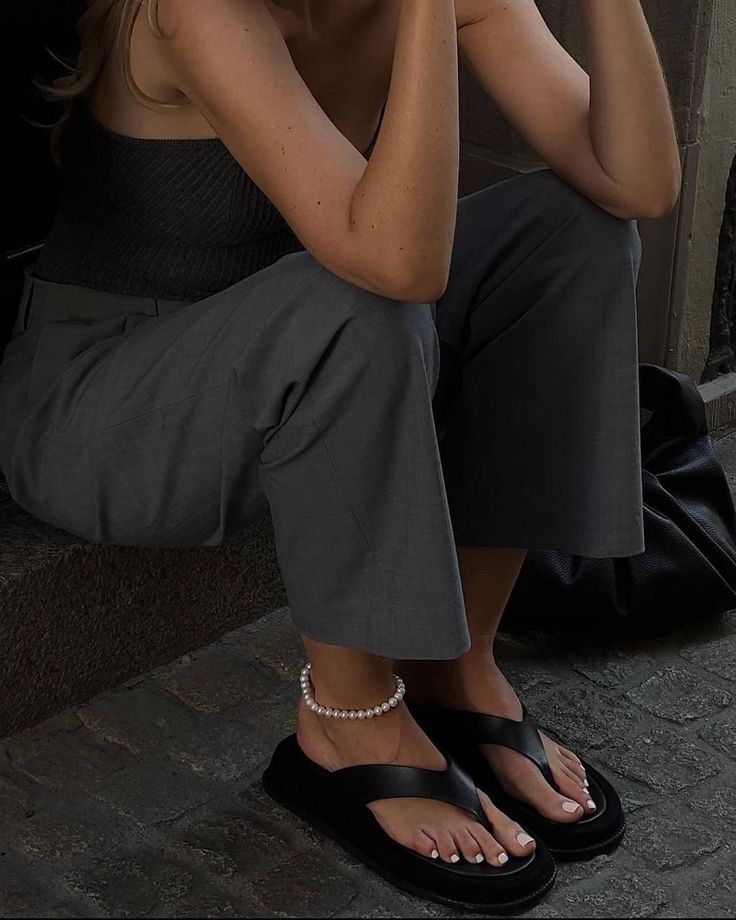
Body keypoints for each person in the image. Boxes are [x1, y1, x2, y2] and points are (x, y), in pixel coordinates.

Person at [0, 0, 681, 911]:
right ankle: (350, 718)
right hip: (111, 408)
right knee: (369, 289)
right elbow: (398, 269)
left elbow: (638, 186)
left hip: (298, 353)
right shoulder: (199, 11)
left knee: (578, 231)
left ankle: (458, 664)